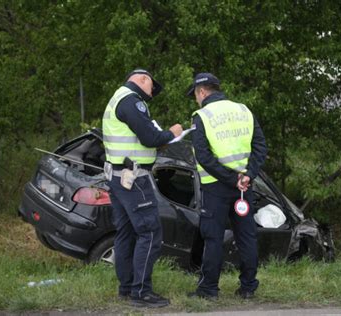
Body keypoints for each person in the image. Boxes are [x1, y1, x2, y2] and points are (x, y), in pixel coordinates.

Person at [102, 69, 183, 308]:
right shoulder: (131, 101)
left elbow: (136, 140)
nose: (151, 95)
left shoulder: (117, 99)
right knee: (149, 234)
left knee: (125, 234)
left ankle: (127, 288)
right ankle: (141, 292)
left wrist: (158, 144)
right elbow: (149, 137)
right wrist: (172, 133)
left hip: (118, 178)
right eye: (151, 89)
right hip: (134, 179)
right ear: (143, 80)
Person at [187, 73, 267, 300]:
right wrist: (248, 175)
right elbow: (260, 147)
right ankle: (248, 287)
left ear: (201, 91)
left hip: (216, 186)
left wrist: (231, 178)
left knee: (213, 238)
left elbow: (204, 157)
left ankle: (208, 290)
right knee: (247, 237)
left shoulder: (201, 116)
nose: (196, 100)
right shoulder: (244, 110)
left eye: (195, 95)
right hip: (244, 187)